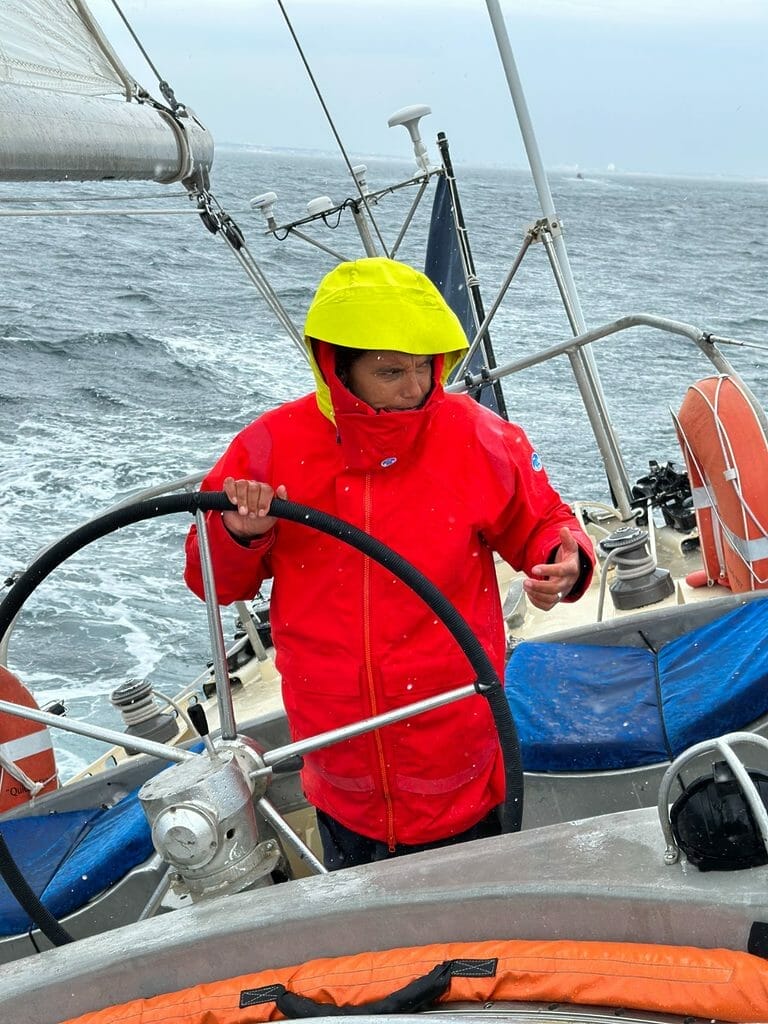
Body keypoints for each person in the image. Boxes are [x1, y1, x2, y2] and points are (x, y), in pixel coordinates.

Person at [184, 257, 594, 870]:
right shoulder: (267, 447)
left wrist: (564, 558)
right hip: (338, 755)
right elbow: (210, 581)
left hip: (456, 742)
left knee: (481, 907)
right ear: (337, 367)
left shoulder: (481, 437)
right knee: (369, 921)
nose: (415, 387)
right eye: (391, 371)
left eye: (425, 366)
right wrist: (241, 533)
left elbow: (541, 522)